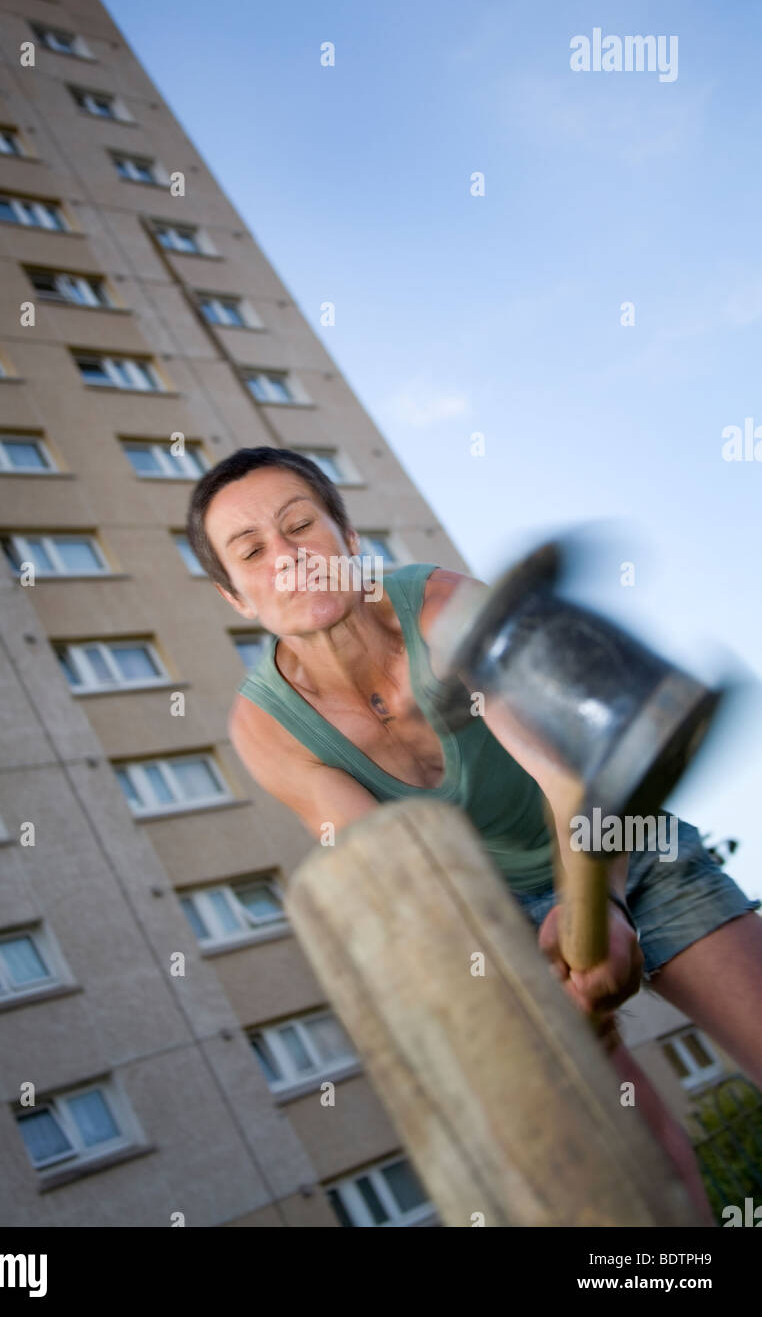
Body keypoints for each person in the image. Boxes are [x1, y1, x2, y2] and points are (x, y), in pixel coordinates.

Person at [184, 445, 762, 1099]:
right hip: (491, 914)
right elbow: (413, 881)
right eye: (252, 552)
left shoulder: (444, 607)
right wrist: (538, 984)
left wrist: (597, 897)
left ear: (347, 537)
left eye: (299, 526)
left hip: (620, 846)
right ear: (235, 596)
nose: (288, 558)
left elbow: (566, 781)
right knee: (608, 1126)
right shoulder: (268, 730)